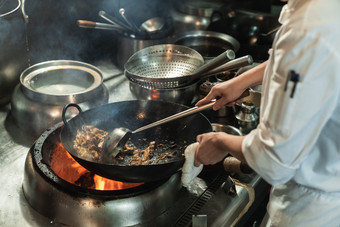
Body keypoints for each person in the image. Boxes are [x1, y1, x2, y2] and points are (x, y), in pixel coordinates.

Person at [194, 0, 340, 226]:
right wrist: (241, 81)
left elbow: (275, 161)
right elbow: (301, 61)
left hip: (312, 209)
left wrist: (219, 142)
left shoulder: (308, 28)